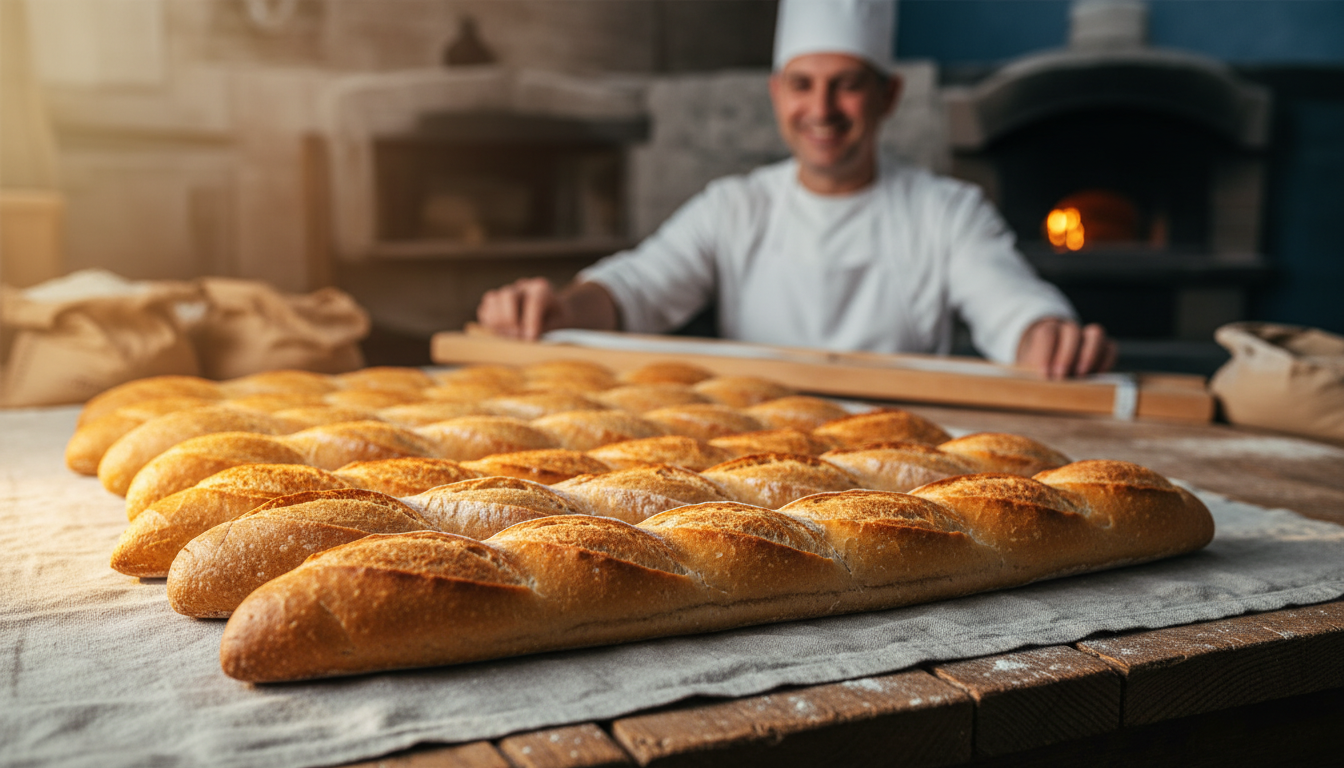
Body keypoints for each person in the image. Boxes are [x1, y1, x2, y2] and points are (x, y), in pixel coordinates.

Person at [477, 0, 1116, 380]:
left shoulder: (946, 212)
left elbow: (1011, 306)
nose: (823, 108)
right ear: (776, 94)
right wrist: (560, 307)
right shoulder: (735, 207)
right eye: (803, 84)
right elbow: (637, 289)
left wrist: (1045, 336)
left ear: (889, 95)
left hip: (901, 455)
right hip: (753, 448)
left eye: (847, 84)